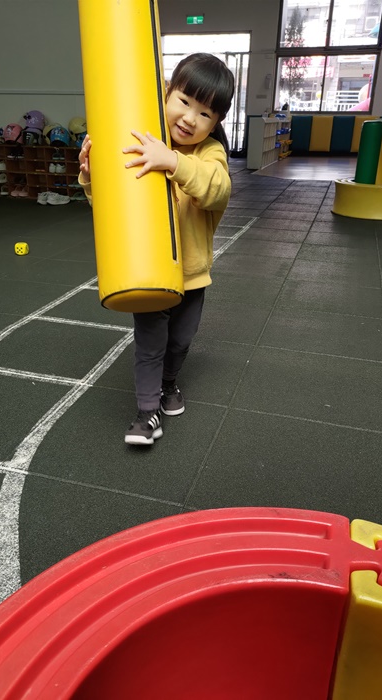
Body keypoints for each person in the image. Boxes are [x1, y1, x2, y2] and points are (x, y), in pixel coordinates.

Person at [78, 52, 234, 445]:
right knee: (150, 345)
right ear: (166, 94)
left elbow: (217, 189)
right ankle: (147, 413)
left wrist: (173, 162)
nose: (190, 118)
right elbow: (112, 207)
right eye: (184, 101)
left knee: (180, 341)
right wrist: (91, 177)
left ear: (216, 122)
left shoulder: (209, 153)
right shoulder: (144, 141)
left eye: (205, 114)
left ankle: (168, 384)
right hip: (150, 269)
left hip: (191, 275)